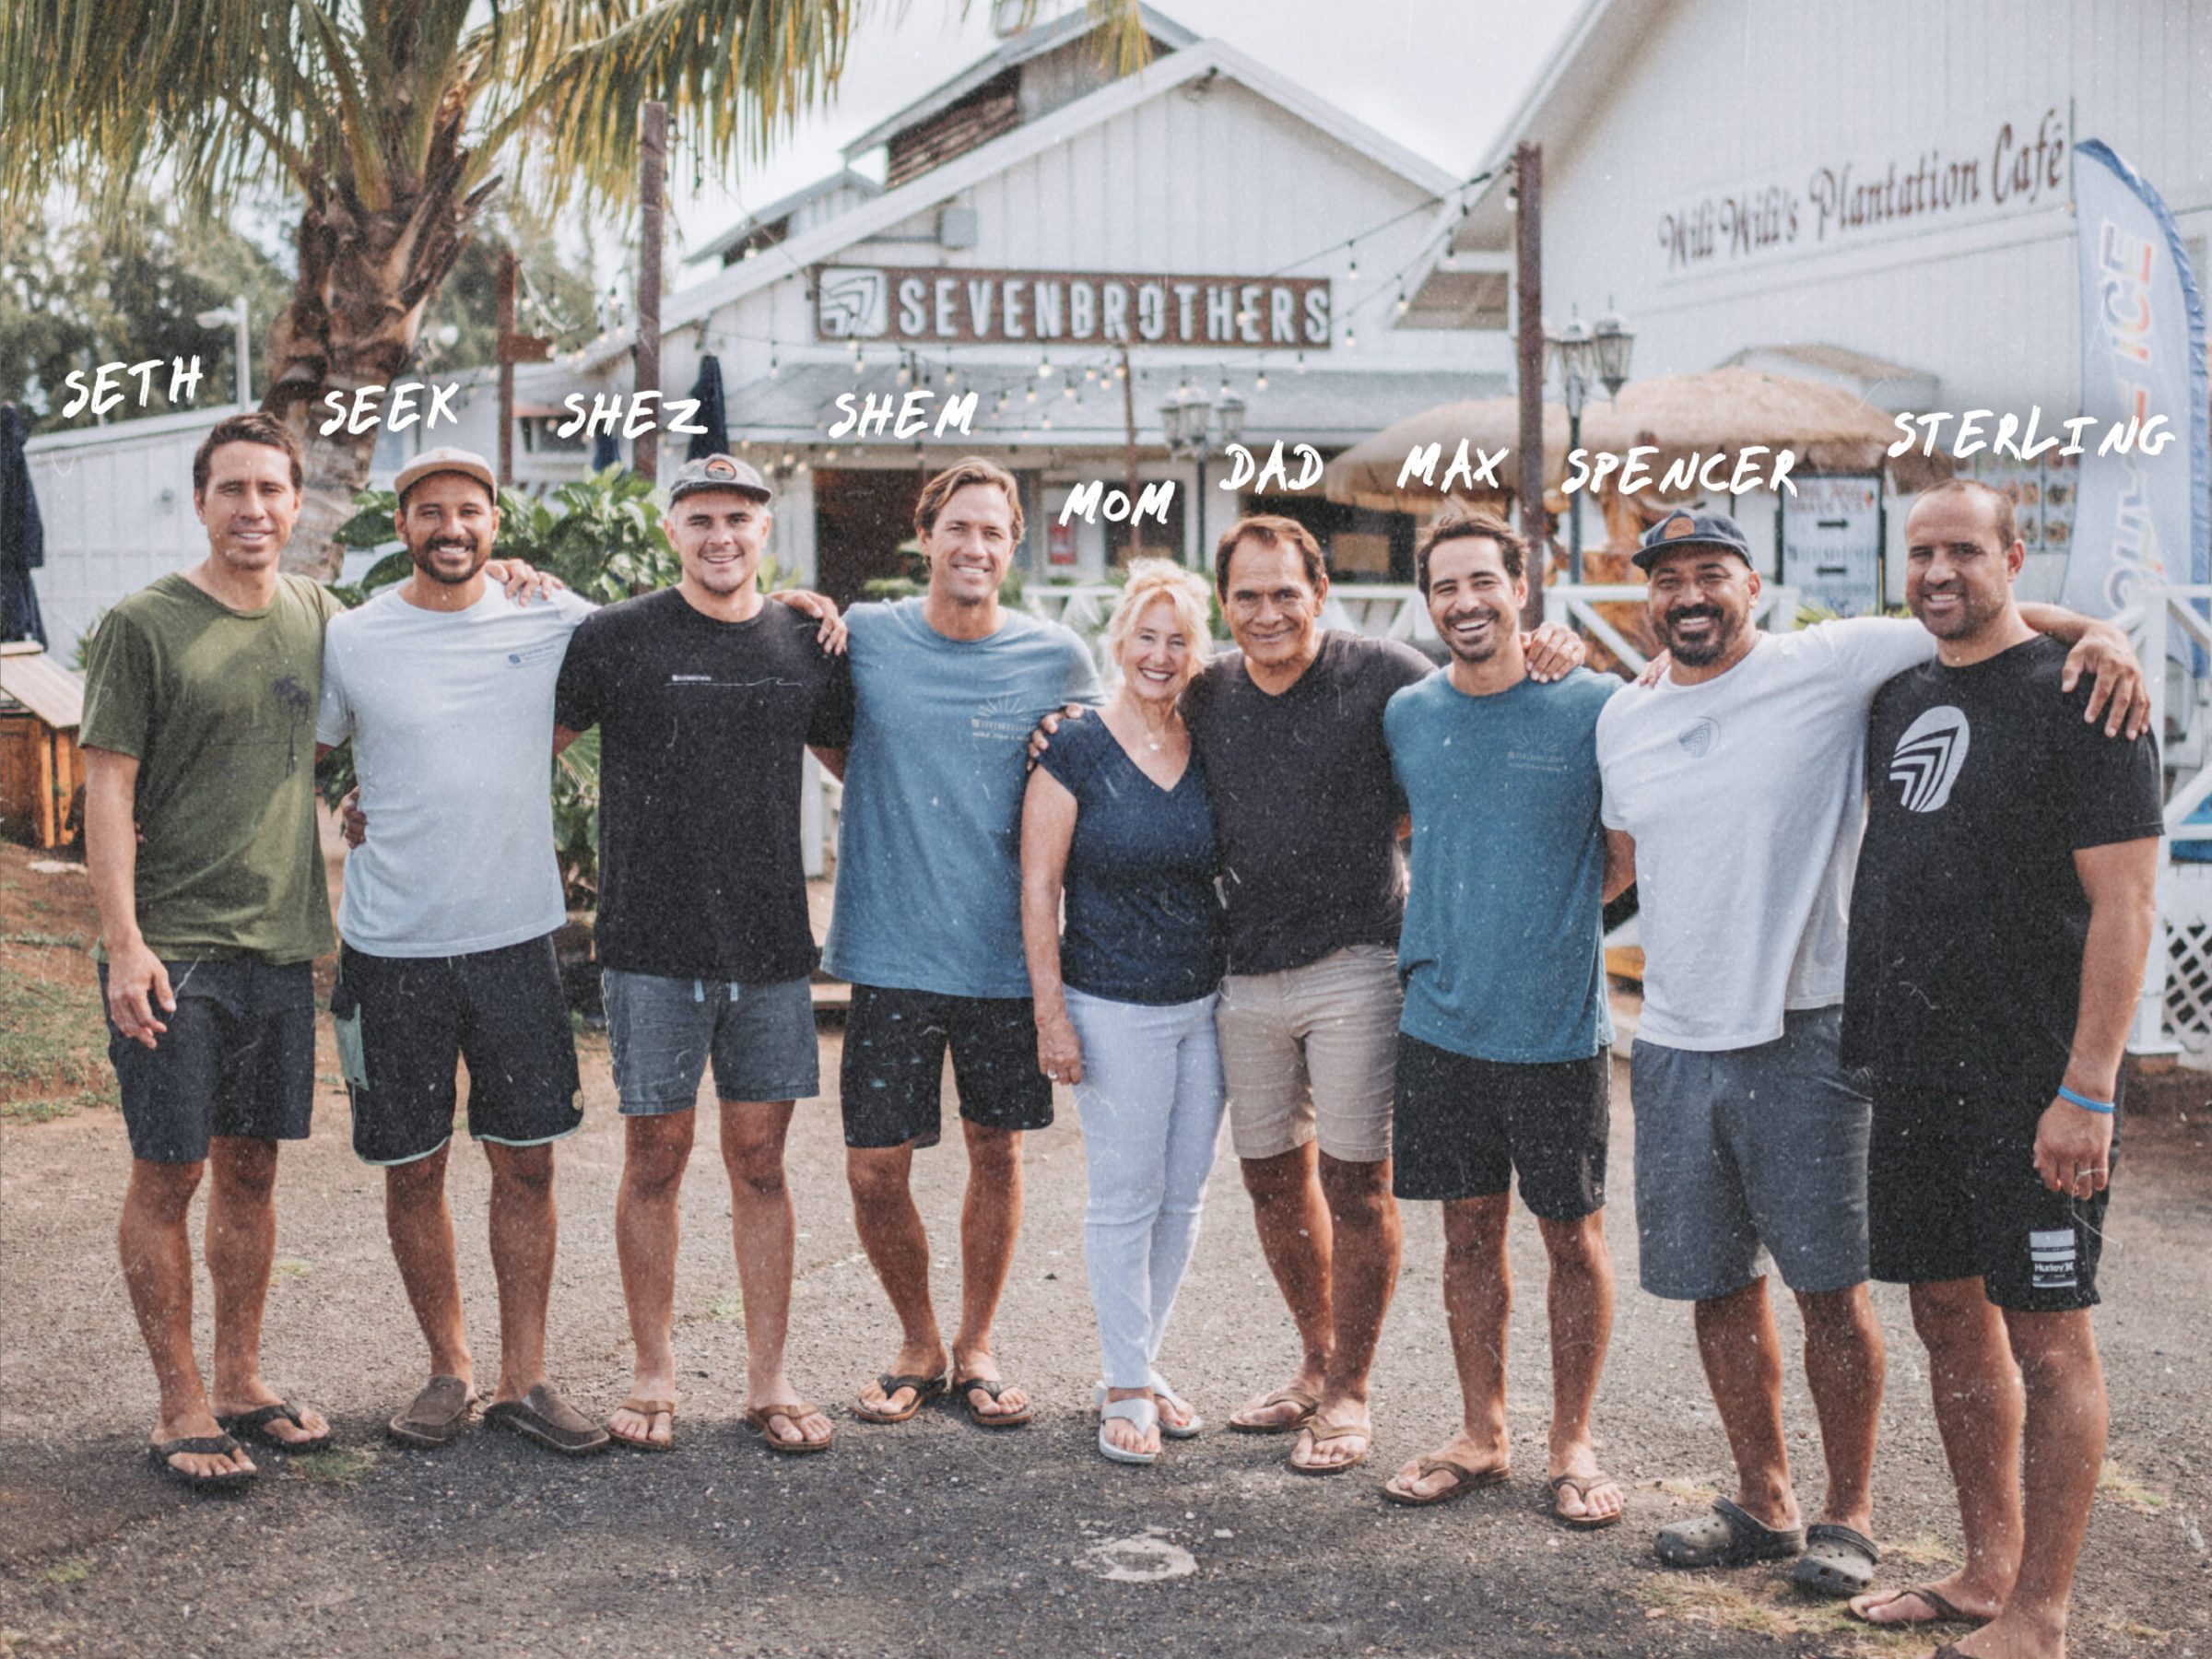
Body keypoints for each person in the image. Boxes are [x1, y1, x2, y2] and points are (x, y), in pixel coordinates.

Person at [1595, 507, 2148, 1594]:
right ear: (1647, 598)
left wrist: (2107, 630)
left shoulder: (1837, 660)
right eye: (1669, 580)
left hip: (1822, 1034)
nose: (1691, 596)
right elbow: (1618, 859)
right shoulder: (1626, 715)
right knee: (1733, 1289)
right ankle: (1771, 1504)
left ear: (1755, 585)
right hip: (1693, 1039)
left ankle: (1858, 1522)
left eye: (1713, 573)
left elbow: (1982, 624)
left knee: (1841, 1291)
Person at [1839, 478, 2160, 1659]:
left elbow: (2125, 906)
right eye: (1919, 553)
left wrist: (2088, 1090)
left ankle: (2043, 1614)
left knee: (2047, 1336)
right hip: (1914, 1068)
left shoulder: (2085, 697)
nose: (1937, 574)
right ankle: (1985, 1571)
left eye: (1964, 552)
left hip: (2034, 1080)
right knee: (1944, 1316)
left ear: (2016, 557)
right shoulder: (1897, 695)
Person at [552, 453, 853, 1456]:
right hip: (649, 945)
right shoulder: (616, 638)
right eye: (702, 519)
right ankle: (653, 1371)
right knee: (655, 1159)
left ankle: (770, 1379)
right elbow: (518, 746)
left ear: (766, 532)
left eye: (740, 519)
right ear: (672, 530)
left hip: (769, 947)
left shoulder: (808, 642)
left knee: (761, 1163)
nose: (722, 536)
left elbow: (865, 770)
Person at [317, 447, 608, 1456]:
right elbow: (304, 751)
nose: (452, 528)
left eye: (470, 511)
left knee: (527, 1164)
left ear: (496, 523)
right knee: (413, 1167)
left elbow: (674, 620)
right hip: (391, 946)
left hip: (514, 940)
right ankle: (451, 1369)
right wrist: (363, 803)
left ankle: (525, 1379)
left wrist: (789, 595)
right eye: (430, 511)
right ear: (402, 526)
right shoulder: (351, 639)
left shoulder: (550, 615)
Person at [81, 412, 342, 1488]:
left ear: (294, 504)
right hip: (175, 949)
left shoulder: (318, 613)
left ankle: (240, 1379)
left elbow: (388, 688)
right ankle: (179, 1401)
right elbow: (107, 784)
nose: (253, 510)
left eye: (272, 491)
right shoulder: (143, 625)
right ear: (201, 502)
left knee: (252, 1169)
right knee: (170, 1171)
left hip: (281, 947)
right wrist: (124, 943)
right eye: (232, 490)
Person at [822, 456, 1101, 1430]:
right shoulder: (861, 636)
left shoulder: (1055, 657)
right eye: (960, 529)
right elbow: (829, 728)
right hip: (889, 949)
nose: (975, 547)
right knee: (873, 1169)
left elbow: (1101, 767)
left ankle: (977, 1345)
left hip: (1002, 958)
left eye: (994, 533)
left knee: (997, 1149)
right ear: (927, 536)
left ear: (1011, 547)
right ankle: (917, 1340)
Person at [1379, 510, 1627, 1526]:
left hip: (1558, 1026)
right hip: (1441, 1023)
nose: (1466, 603)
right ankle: (1482, 1434)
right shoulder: (1407, 713)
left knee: (1573, 1239)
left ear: (1523, 587)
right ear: (1428, 600)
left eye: (1485, 582)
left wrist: (1548, 923)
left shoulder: (1592, 702)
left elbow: (1623, 855)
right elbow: (1412, 823)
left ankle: (1573, 1441)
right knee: (1467, 1239)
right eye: (1446, 587)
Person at [1019, 559, 1226, 1465]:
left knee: (1183, 1198)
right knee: (1124, 1199)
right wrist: (1050, 1016)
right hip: (1112, 1003)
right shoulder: (1075, 747)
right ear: (1119, 641)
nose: (1160, 653)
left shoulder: (1206, 741)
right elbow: (1038, 888)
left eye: (1179, 639)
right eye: (1147, 635)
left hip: (1206, 1002)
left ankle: (1141, 1365)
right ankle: (1125, 1383)